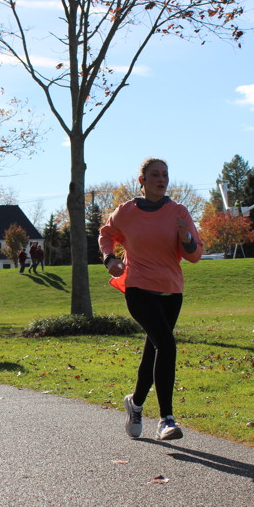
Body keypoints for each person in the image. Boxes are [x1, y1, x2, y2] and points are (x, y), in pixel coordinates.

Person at [99, 157, 202, 441]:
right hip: (139, 288)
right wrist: (109, 259)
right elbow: (105, 235)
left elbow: (195, 255)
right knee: (166, 345)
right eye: (155, 175)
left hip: (171, 291)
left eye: (165, 175)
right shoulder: (126, 212)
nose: (161, 180)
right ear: (142, 180)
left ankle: (135, 403)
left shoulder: (178, 212)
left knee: (154, 349)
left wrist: (186, 238)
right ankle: (166, 419)